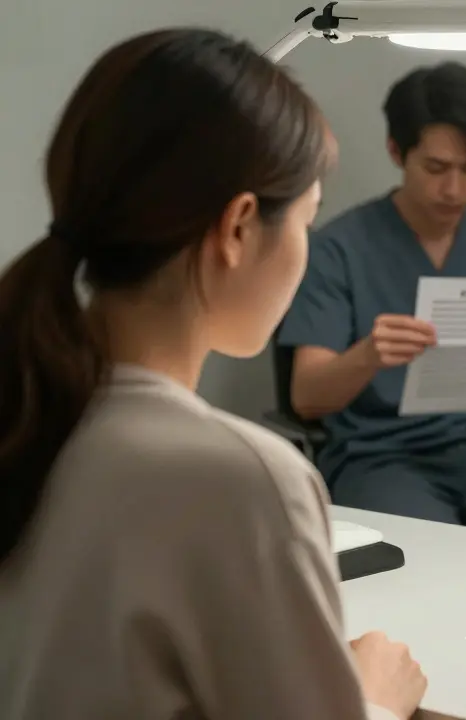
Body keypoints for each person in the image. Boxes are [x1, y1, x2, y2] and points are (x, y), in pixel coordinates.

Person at [0, 29, 427, 719]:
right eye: (306, 222)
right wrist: (373, 699)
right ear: (238, 228)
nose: (306, 252)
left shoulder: (28, 410)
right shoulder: (238, 477)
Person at [278, 61, 466, 537]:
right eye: (436, 168)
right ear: (396, 151)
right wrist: (367, 356)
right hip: (382, 459)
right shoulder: (339, 248)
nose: (454, 189)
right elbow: (306, 398)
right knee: (430, 556)